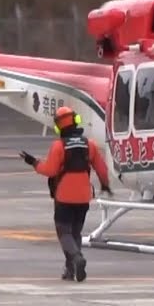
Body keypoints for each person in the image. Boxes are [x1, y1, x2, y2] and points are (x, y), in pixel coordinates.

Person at [19, 105, 112, 282]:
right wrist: (105, 185)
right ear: (76, 121)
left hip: (64, 196)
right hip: (84, 197)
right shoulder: (89, 144)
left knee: (64, 232)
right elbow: (101, 168)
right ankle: (70, 270)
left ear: (58, 126)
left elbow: (50, 171)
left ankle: (77, 258)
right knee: (75, 232)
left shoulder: (58, 146)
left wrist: (33, 162)